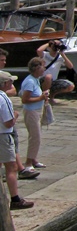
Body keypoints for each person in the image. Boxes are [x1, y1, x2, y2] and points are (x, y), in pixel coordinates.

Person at [0, 71, 34, 210]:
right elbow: (8, 123)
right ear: (5, 83)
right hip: (3, 136)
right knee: (11, 167)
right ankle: (15, 199)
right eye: (10, 81)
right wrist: (15, 115)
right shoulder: (3, 98)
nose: (12, 83)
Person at [19, 57, 48, 171]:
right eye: (43, 66)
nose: (44, 69)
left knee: (37, 136)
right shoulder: (30, 81)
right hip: (31, 112)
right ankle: (28, 162)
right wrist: (41, 97)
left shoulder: (36, 79)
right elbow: (24, 99)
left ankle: (34, 159)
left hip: (37, 110)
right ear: (37, 68)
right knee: (35, 137)